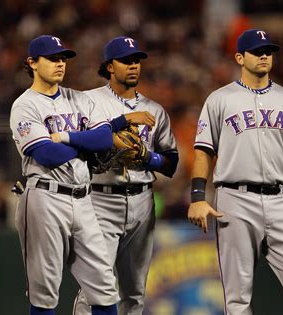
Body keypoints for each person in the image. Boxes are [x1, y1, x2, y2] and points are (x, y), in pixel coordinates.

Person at [187, 29, 283, 314]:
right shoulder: (219, 99)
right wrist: (198, 196)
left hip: (280, 201)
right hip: (234, 201)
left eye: (268, 51)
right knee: (237, 297)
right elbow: (203, 150)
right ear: (240, 57)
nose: (264, 56)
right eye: (257, 51)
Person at [9, 35, 119, 315]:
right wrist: (85, 144)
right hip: (45, 197)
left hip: (84, 200)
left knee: (105, 290)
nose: (60, 64)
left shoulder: (80, 99)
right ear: (32, 63)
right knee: (44, 292)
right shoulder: (25, 105)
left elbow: (105, 140)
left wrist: (66, 137)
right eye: (52, 58)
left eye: (63, 59)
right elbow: (47, 154)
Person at [73, 36, 179, 315]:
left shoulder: (155, 109)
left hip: (143, 200)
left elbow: (171, 163)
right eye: (126, 61)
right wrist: (112, 133)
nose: (133, 66)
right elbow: (78, 141)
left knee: (135, 292)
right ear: (109, 66)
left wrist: (149, 158)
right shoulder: (89, 101)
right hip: (100, 198)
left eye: (137, 61)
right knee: (96, 285)